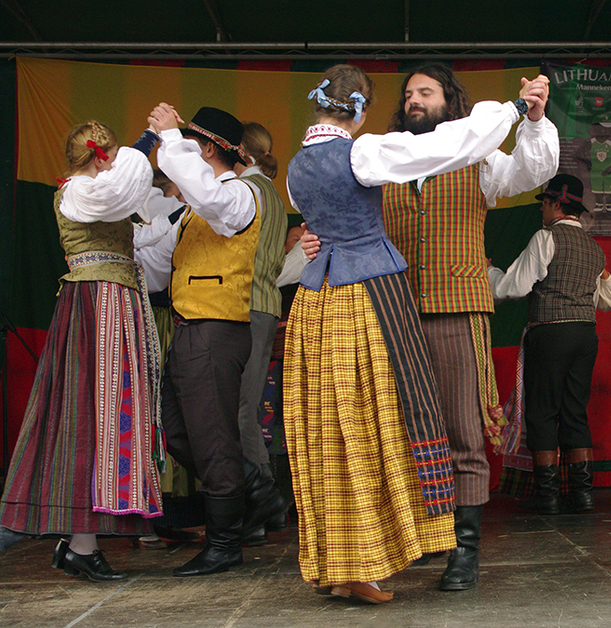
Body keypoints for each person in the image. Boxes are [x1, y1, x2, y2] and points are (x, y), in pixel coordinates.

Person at [286, 64, 550, 603]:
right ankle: (419, 537)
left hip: (455, 305)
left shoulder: (477, 157)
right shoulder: (380, 155)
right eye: (408, 93)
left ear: (448, 100)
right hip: (388, 311)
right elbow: (338, 211)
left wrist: (532, 121)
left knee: (460, 428)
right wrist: (319, 241)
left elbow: (531, 171)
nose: (414, 100)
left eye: (425, 92)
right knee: (392, 432)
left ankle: (465, 549)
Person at [0, 120, 164, 580]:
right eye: (109, 154)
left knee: (99, 416)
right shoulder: (80, 191)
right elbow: (120, 189)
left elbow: (132, 219)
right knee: (92, 415)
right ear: (100, 156)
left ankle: (79, 543)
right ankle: (80, 544)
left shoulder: (96, 192)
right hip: (98, 304)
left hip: (110, 301)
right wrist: (147, 142)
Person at [143, 104, 283, 576]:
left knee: (213, 435)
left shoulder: (240, 195)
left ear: (204, 149)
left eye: (184, 147)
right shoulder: (191, 210)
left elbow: (217, 207)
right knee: (180, 432)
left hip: (219, 328)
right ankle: (258, 491)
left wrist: (170, 139)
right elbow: (157, 267)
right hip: (189, 327)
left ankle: (225, 543)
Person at [488, 174, 611, 514]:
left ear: (556, 204)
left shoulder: (546, 237)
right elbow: (610, 299)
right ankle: (583, 494)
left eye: (545, 204)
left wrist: (488, 273)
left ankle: (547, 496)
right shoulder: (592, 247)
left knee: (543, 411)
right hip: (584, 334)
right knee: (575, 410)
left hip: (550, 332)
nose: (542, 212)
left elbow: (513, 288)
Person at [234, 121, 289, 545]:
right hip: (262, 305)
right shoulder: (271, 194)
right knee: (244, 408)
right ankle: (263, 502)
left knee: (242, 410)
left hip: (248, 305)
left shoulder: (248, 192)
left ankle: (262, 498)